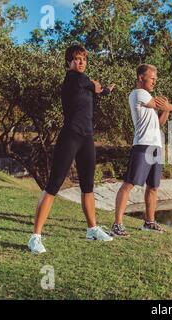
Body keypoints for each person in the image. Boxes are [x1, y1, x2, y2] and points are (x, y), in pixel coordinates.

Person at [28, 44, 115, 254]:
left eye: (84, 59)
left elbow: (95, 92)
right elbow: (94, 85)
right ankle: (35, 237)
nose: (81, 62)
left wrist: (104, 91)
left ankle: (92, 229)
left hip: (86, 138)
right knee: (53, 185)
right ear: (69, 62)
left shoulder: (83, 85)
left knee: (88, 186)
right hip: (70, 137)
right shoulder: (74, 79)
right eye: (77, 59)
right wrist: (99, 87)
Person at [111, 64, 172, 237]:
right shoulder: (138, 94)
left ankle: (149, 222)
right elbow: (160, 104)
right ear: (140, 78)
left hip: (156, 146)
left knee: (153, 187)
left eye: (155, 79)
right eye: (152, 78)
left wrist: (167, 109)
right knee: (129, 184)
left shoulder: (148, 100)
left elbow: (160, 122)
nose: (154, 81)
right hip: (143, 145)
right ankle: (117, 224)